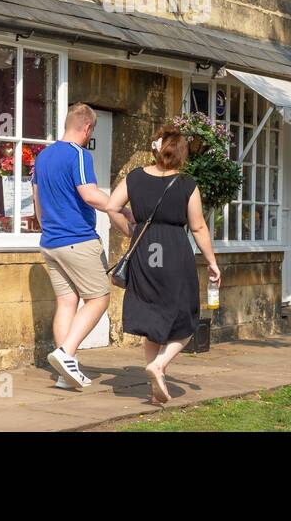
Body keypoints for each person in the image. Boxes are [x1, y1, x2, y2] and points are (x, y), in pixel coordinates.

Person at [104, 123, 220, 406]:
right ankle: (160, 365)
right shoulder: (186, 185)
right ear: (181, 155)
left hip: (144, 251)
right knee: (188, 316)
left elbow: (111, 207)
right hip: (173, 252)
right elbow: (198, 227)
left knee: (151, 319)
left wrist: (130, 231)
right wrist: (212, 262)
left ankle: (154, 386)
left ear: (156, 150)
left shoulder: (134, 177)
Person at [32, 103, 113, 390]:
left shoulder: (42, 157)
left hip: (50, 242)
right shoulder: (79, 154)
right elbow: (90, 195)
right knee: (99, 298)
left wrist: (49, 227)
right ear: (87, 128)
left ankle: (65, 373)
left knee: (67, 302)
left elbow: (38, 204)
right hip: (77, 239)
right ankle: (66, 353)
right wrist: (118, 208)